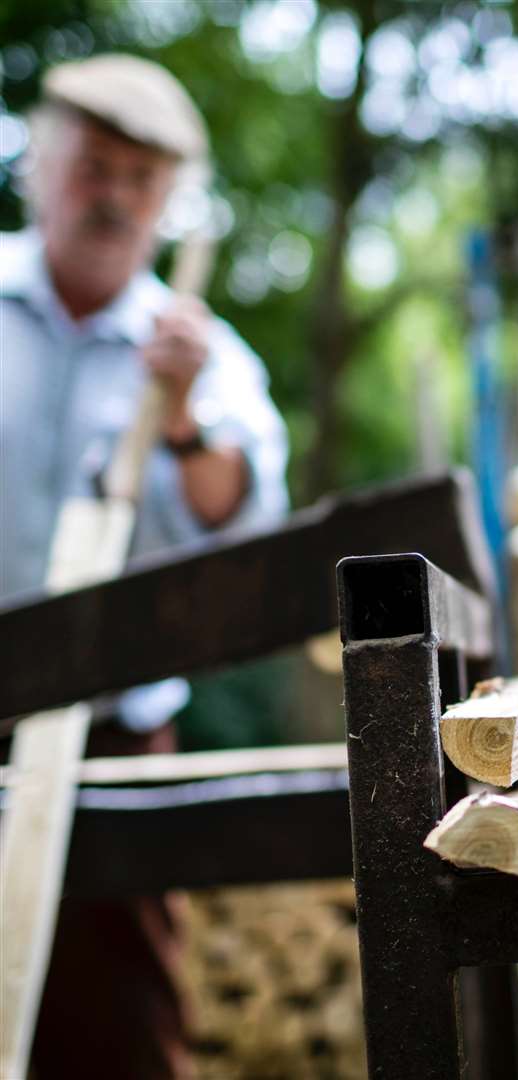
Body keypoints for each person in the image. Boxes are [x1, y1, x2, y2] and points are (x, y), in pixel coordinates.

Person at [0, 54, 289, 1077]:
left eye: (140, 177)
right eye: (94, 166)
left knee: (117, 1021)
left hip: (114, 731)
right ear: (42, 160)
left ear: (168, 200)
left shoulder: (203, 357)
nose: (113, 195)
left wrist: (183, 417)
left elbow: (241, 521)